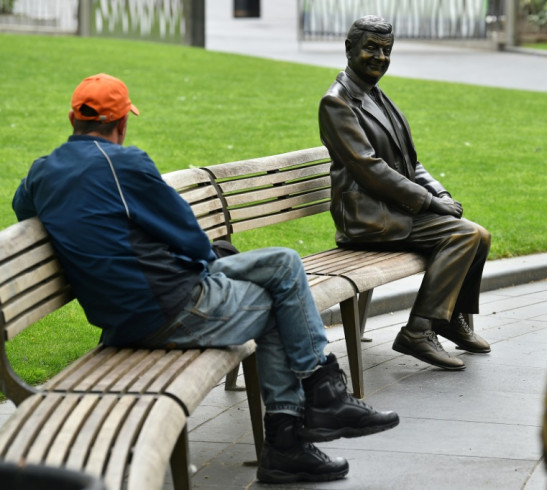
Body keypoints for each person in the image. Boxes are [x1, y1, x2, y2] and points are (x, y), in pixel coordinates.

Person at [12, 73, 399, 484]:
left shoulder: (42, 172)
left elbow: (25, 207)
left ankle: (319, 401)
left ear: (73, 121)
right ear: (122, 123)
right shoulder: (124, 163)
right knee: (279, 306)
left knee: (284, 263)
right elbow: (193, 241)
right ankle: (299, 427)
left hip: (131, 306)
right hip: (165, 307)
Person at [319, 16, 492, 371]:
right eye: (371, 48)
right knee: (465, 236)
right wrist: (430, 203)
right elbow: (370, 170)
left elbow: (411, 164)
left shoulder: (378, 96)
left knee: (480, 235)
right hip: (368, 218)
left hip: (393, 210)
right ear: (349, 49)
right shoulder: (337, 103)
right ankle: (418, 330)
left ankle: (448, 319)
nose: (380, 57)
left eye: (386, 50)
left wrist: (440, 193)